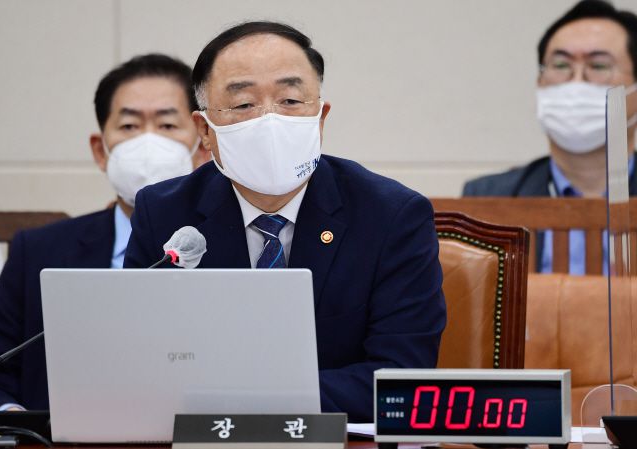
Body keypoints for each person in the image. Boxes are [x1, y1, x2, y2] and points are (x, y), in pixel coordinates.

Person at [124, 21, 446, 422]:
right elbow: (140, 362)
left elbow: (401, 377)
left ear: (320, 118)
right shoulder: (164, 213)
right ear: (205, 130)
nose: (269, 120)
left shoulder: (391, 216)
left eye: (290, 100)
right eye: (244, 104)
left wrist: (253, 397)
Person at [0, 54, 211, 410]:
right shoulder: (36, 251)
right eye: (129, 126)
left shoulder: (237, 239)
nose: (148, 142)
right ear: (101, 150)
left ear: (203, 146)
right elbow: (1, 372)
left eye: (167, 125)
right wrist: (18, 423)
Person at [463, 0, 637, 273]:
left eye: (598, 65)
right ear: (540, 83)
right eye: (560, 64)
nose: (576, 82)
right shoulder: (487, 198)